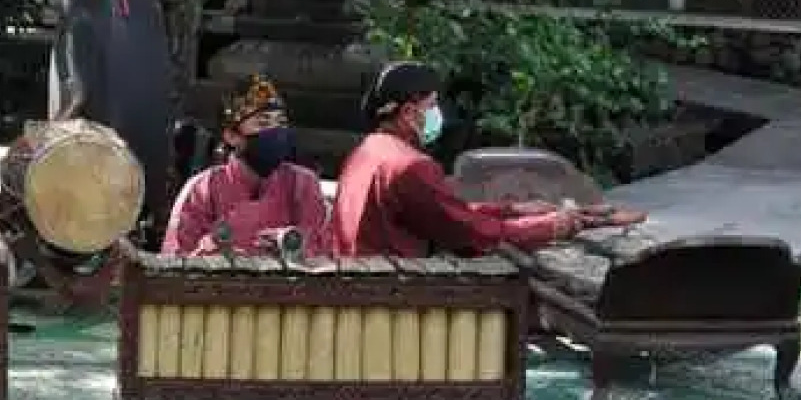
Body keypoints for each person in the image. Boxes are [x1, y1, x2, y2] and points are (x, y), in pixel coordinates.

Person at [329, 61, 600, 257]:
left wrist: (513, 210)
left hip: (360, 271)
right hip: (390, 290)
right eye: (431, 105)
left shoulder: (367, 150)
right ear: (409, 113)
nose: (437, 113)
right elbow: (466, 232)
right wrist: (546, 227)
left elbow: (439, 211)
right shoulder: (410, 165)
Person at [162, 76, 329, 256]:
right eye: (263, 123)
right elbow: (174, 260)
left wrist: (294, 252)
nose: (276, 132)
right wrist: (211, 253)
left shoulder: (302, 184)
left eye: (281, 123)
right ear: (232, 136)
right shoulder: (202, 189)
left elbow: (323, 254)